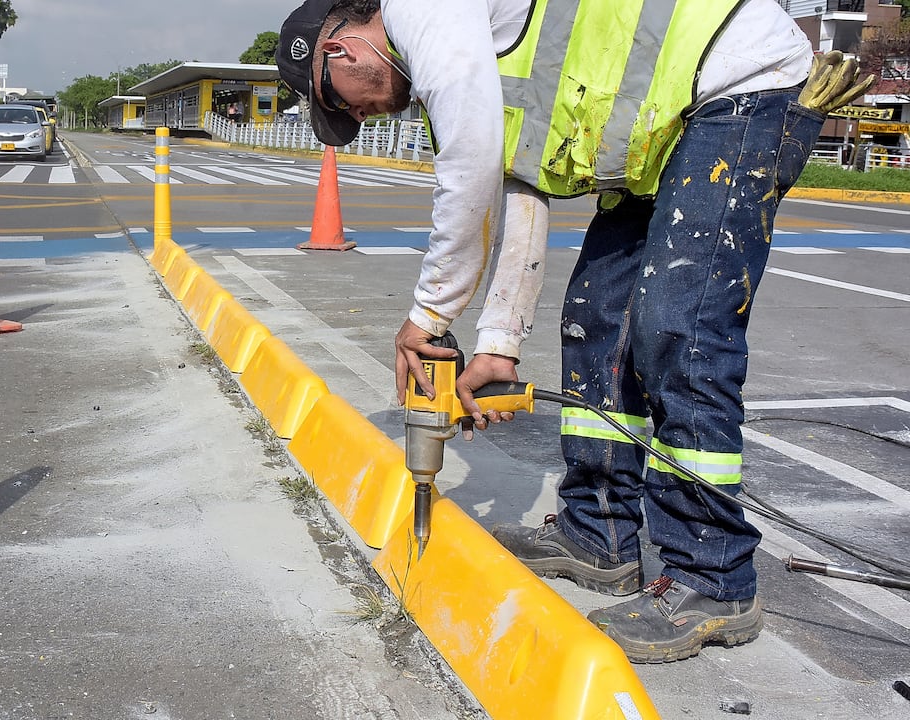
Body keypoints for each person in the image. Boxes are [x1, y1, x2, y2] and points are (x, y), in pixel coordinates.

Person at [275, 0, 873, 663]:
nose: (361, 117)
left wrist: (429, 314)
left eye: (345, 105)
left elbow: (471, 163)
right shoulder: (460, 46)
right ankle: (601, 532)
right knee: (596, 322)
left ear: (340, 52)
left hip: (734, 83)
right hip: (663, 131)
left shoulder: (423, 9)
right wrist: (499, 344)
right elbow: (517, 184)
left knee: (678, 326)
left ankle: (714, 576)